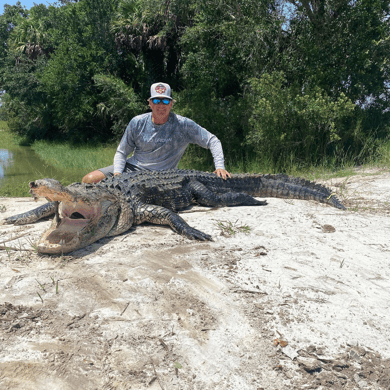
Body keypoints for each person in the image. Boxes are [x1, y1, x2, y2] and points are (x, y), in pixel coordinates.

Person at [82, 82, 231, 184]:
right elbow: (121, 152)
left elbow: (213, 140)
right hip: (132, 169)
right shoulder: (137, 122)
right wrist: (117, 175)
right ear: (150, 103)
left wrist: (220, 166)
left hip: (164, 176)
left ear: (171, 104)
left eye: (165, 101)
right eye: (157, 101)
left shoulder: (183, 124)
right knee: (88, 180)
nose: (161, 105)